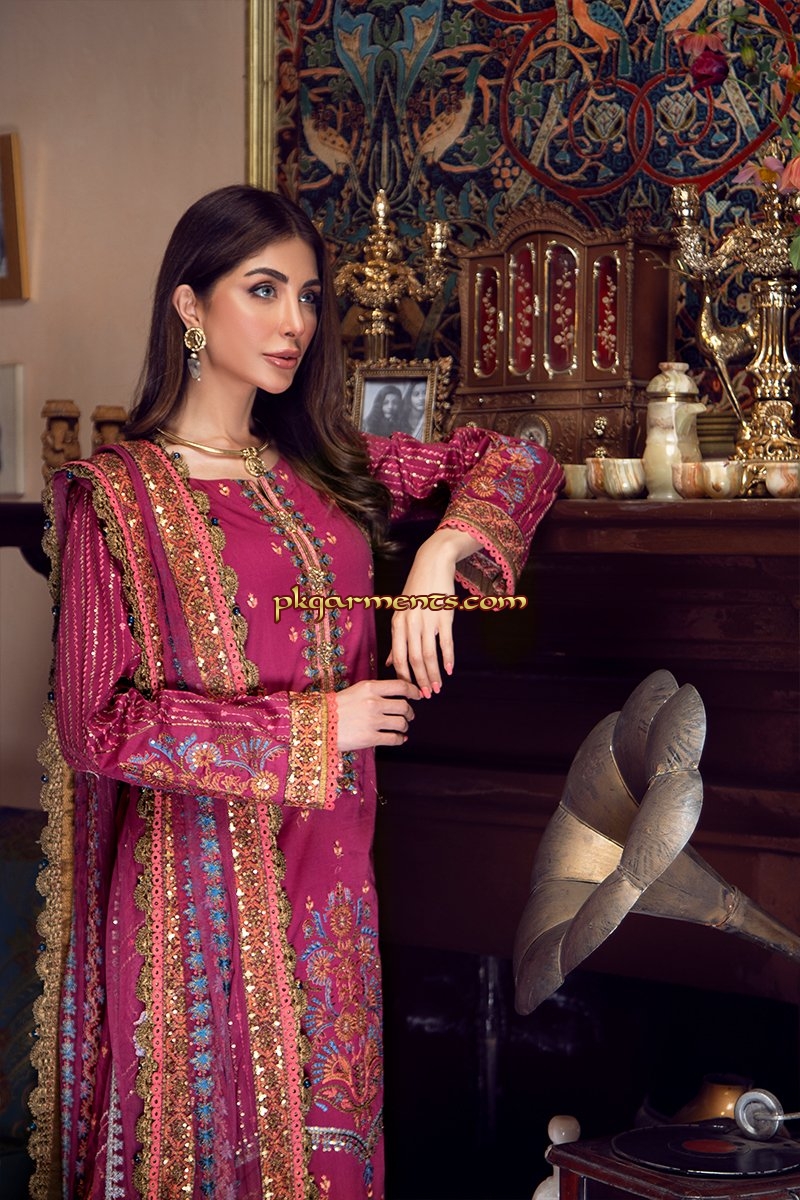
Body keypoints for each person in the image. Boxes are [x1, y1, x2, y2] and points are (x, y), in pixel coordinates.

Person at [30, 185, 563, 1200]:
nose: (294, 323)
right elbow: (93, 725)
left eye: (309, 297)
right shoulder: (117, 497)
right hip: (190, 902)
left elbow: (522, 454)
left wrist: (439, 555)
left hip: (329, 887)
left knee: (325, 1152)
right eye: (263, 289)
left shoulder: (328, 468)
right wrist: (320, 725)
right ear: (189, 306)